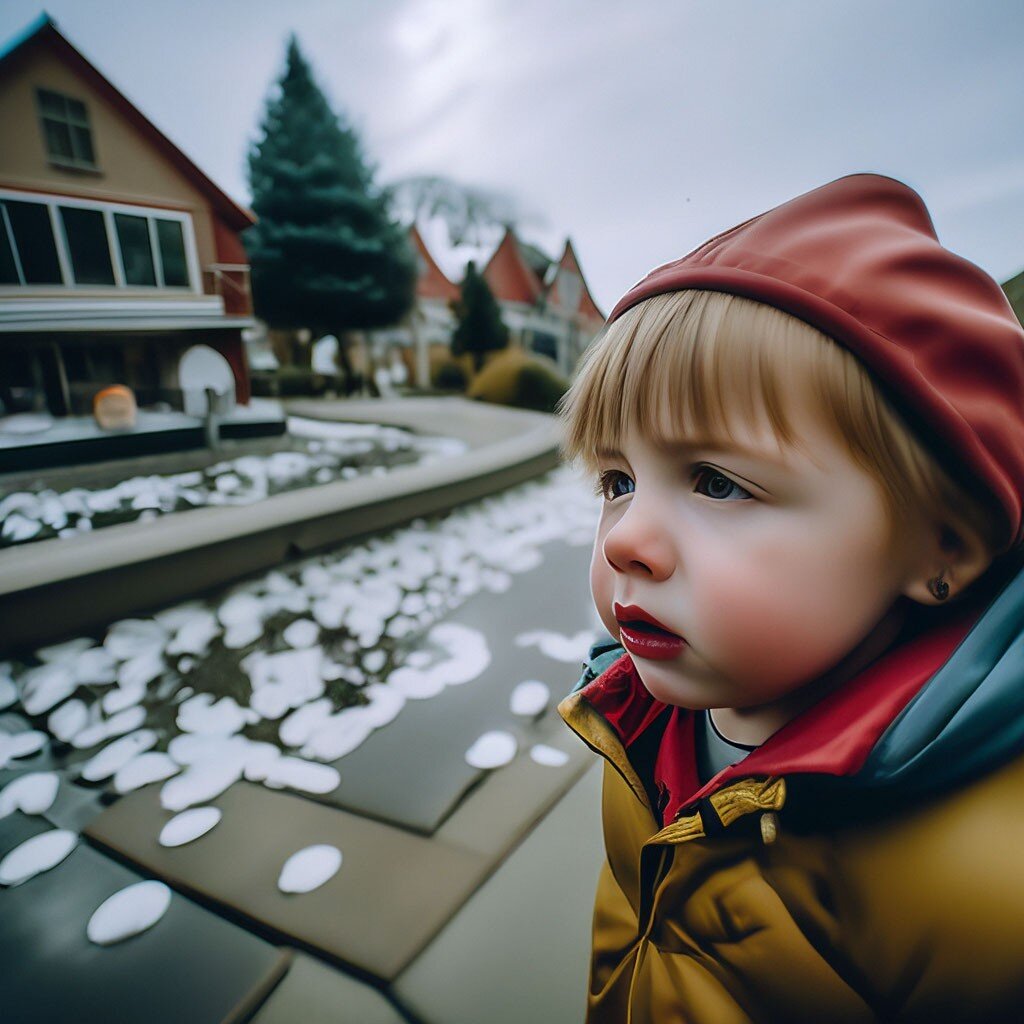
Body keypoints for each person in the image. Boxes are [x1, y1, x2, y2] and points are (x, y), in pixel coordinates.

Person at [556, 173, 1024, 1023]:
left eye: (719, 483)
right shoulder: (640, 724)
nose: (624, 539)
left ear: (940, 544)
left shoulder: (987, 887)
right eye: (618, 480)